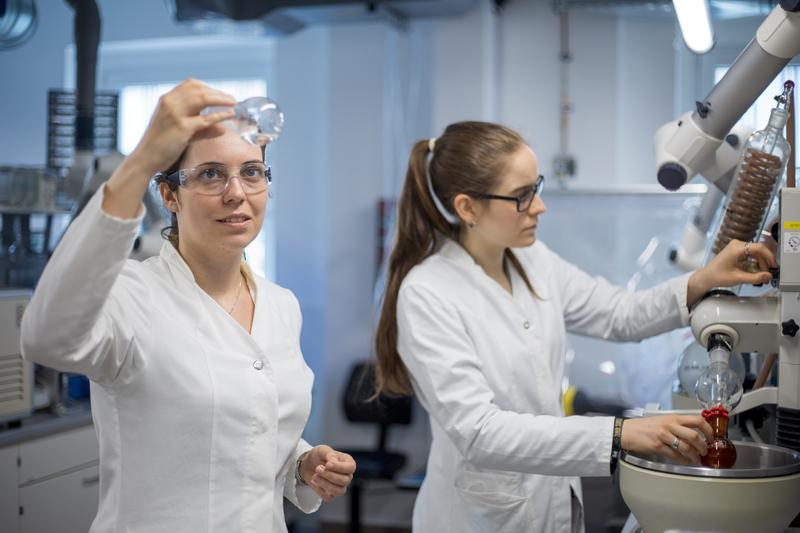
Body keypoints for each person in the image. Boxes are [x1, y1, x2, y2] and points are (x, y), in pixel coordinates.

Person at [374, 121, 776, 533]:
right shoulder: (427, 292)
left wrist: (703, 279)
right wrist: (622, 433)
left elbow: (621, 314)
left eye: (537, 186)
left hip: (553, 502)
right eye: (521, 196)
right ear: (466, 208)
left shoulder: (532, 260)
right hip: (480, 517)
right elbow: (480, 432)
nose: (539, 206)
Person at [21, 79, 355, 533]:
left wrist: (299, 462)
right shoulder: (130, 297)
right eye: (211, 174)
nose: (236, 192)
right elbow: (46, 338)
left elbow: (247, 430)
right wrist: (142, 158)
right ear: (169, 195)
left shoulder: (282, 305)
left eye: (252, 172)